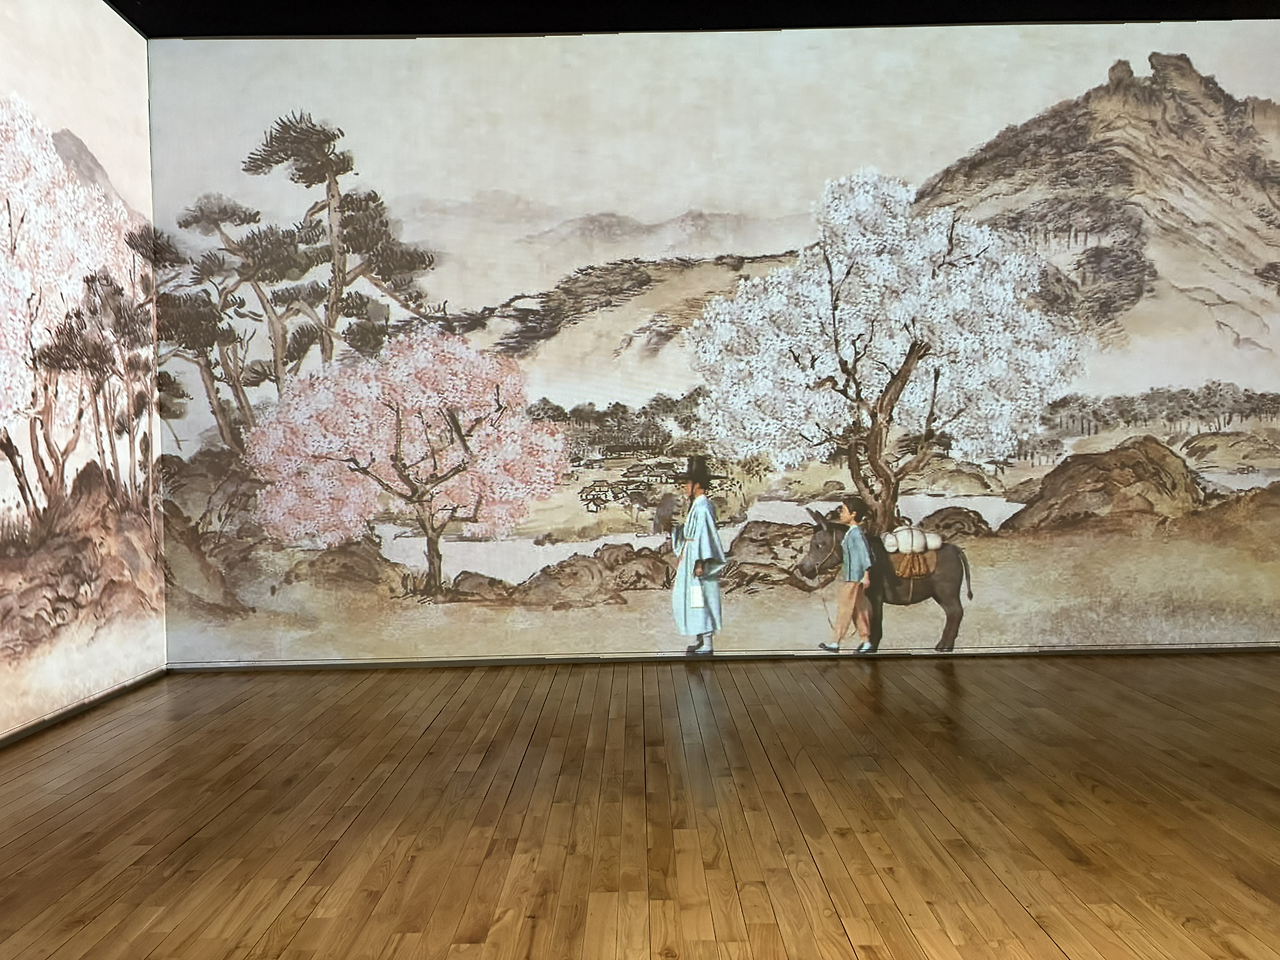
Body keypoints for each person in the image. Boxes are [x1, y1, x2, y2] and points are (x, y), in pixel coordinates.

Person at [664, 456, 727, 655]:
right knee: (693, 599)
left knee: (699, 598)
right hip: (692, 555)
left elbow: (705, 535)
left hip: (698, 559)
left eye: (688, 483)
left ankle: (707, 643)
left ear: (698, 485)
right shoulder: (697, 506)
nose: (685, 487)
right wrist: (675, 531)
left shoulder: (703, 507)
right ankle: (700, 640)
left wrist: (700, 562)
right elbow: (692, 534)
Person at [819, 496, 874, 654]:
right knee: (859, 610)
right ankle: (866, 641)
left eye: (843, 510)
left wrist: (866, 575)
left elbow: (865, 555)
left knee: (844, 609)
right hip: (854, 578)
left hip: (854, 579)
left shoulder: (856, 534)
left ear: (853, 514)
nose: (841, 513)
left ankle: (835, 642)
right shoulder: (853, 532)